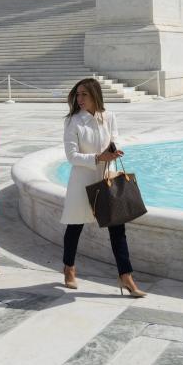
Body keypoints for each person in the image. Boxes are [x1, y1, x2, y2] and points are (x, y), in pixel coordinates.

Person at [60, 78, 145, 297]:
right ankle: (69, 267)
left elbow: (115, 140)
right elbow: (72, 156)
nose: (79, 99)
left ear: (95, 95)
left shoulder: (109, 117)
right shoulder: (73, 122)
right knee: (75, 226)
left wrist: (115, 151)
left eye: (84, 95)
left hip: (107, 179)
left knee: (118, 229)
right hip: (82, 180)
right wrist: (98, 157)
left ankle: (125, 276)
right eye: (77, 94)